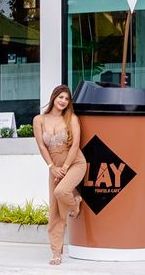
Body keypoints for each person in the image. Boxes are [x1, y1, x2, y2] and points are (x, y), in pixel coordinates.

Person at [35, 84, 85, 264]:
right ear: (54, 97)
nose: (63, 101)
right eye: (60, 97)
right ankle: (56, 253)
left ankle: (75, 204)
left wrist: (64, 167)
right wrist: (52, 167)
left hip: (74, 163)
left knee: (60, 192)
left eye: (66, 98)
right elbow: (42, 146)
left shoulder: (72, 118)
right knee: (55, 211)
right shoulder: (39, 120)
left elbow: (75, 145)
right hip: (54, 167)